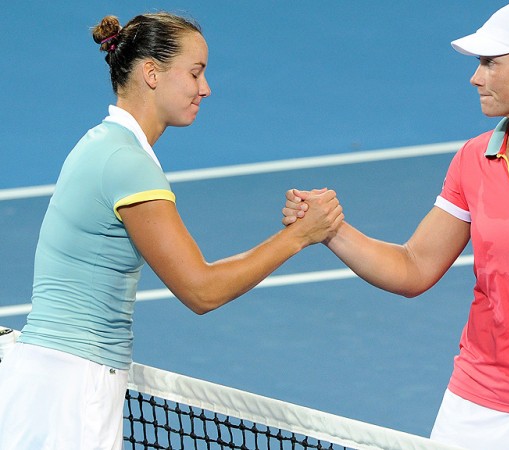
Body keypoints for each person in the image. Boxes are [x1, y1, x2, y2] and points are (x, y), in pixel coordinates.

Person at [282, 1, 509, 449]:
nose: (475, 77)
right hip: (478, 405)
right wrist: (331, 231)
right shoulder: (473, 159)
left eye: (490, 63)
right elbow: (413, 267)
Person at [0, 12, 343, 450]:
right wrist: (299, 236)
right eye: (195, 72)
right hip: (70, 391)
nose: (206, 88)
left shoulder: (104, 145)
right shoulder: (127, 164)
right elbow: (201, 290)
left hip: (49, 383)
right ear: (152, 73)